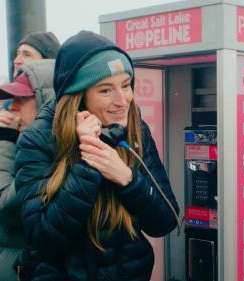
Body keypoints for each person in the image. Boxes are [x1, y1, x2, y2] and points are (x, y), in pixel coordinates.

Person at [14, 30, 179, 281]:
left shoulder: (135, 129)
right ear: (78, 98)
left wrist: (127, 179)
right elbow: (43, 237)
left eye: (126, 85)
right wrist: (88, 161)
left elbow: (165, 221)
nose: (122, 100)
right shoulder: (39, 140)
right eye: (105, 90)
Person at [0, 59, 55, 281]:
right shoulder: (29, 142)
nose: (13, 107)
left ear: (46, 100)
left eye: (22, 99)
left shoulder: (48, 154)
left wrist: (5, 138)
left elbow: (5, 205)